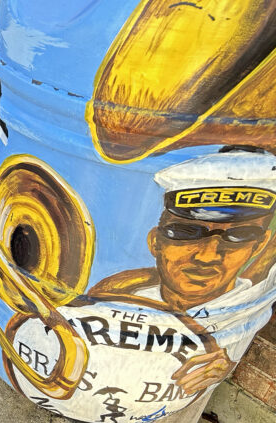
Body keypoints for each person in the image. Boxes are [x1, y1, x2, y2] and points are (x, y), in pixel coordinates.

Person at [88, 150, 276, 396]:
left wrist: (225, 363)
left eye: (237, 237)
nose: (208, 256)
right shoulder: (116, 298)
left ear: (258, 246)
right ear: (155, 242)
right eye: (187, 233)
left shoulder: (248, 303)